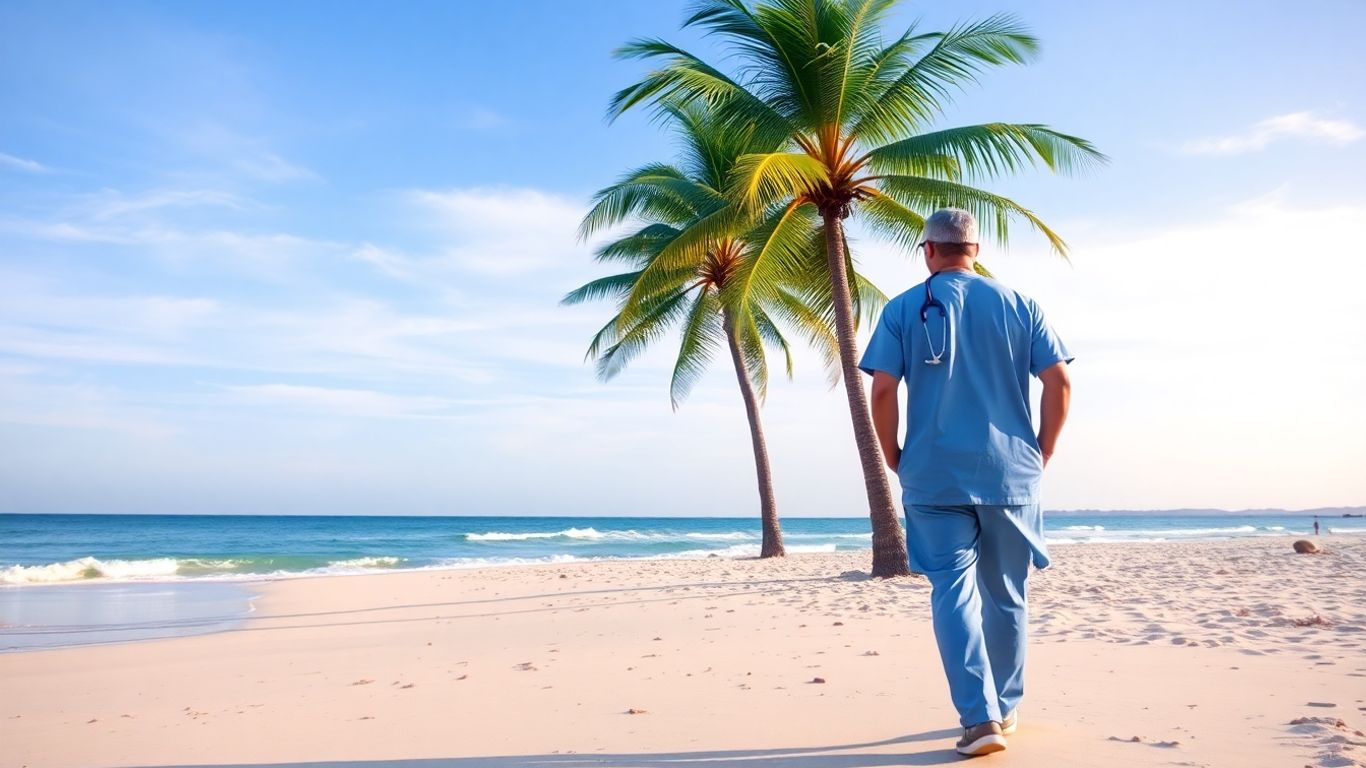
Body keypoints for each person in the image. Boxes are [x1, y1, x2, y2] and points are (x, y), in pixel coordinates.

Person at [859, 208, 1073, 757]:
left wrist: (892, 452)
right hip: (1010, 473)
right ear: (975, 250)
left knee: (952, 593)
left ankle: (979, 720)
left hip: (932, 475)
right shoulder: (1020, 304)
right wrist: (1043, 448)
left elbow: (882, 390)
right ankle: (1006, 707)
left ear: (928, 250)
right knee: (1006, 595)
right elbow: (1059, 382)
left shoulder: (904, 308)